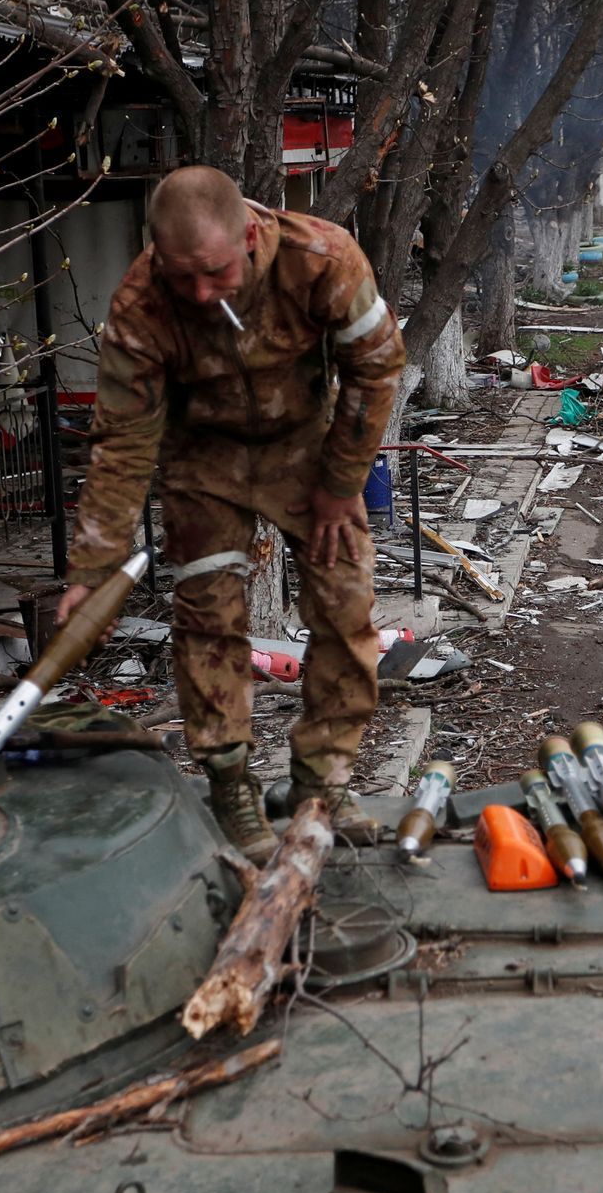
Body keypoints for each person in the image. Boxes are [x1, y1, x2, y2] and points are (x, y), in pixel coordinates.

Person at [59, 165, 406, 860]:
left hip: (307, 458)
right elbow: (124, 443)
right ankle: (231, 787)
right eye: (181, 274)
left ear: (249, 234)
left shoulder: (322, 257)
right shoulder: (141, 304)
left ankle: (323, 784)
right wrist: (91, 570)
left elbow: (377, 364)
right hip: (204, 467)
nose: (199, 292)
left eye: (214, 272)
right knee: (209, 623)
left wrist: (344, 482)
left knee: (345, 609)